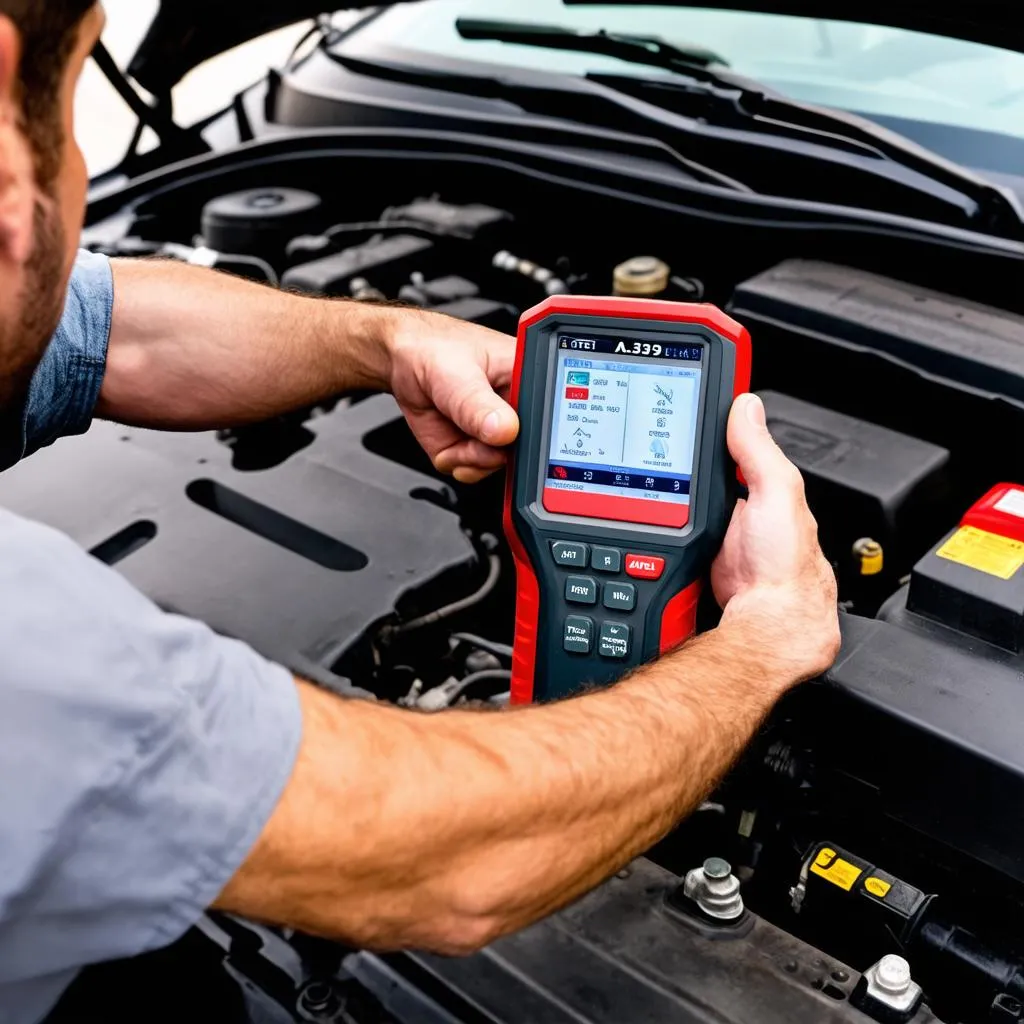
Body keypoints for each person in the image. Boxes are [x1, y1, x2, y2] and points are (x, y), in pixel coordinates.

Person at [0, 3, 840, 1022]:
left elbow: (107, 332)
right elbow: (454, 866)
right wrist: (761, 640)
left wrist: (383, 339)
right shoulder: (34, 660)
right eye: (79, 98)